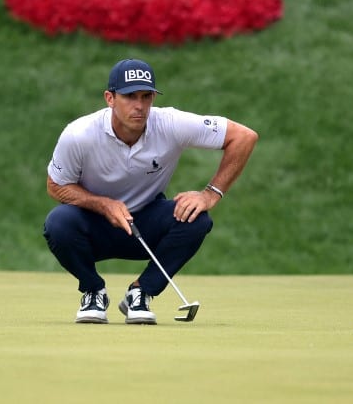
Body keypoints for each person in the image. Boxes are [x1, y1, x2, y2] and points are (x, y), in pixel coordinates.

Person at [43, 58, 258, 324]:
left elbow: (244, 137)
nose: (140, 106)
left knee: (196, 219)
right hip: (92, 226)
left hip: (145, 226)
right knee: (58, 222)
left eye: (147, 96)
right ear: (110, 98)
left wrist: (210, 194)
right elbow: (55, 185)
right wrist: (103, 204)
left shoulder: (169, 123)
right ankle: (93, 290)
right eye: (130, 96)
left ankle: (141, 293)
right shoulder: (79, 134)